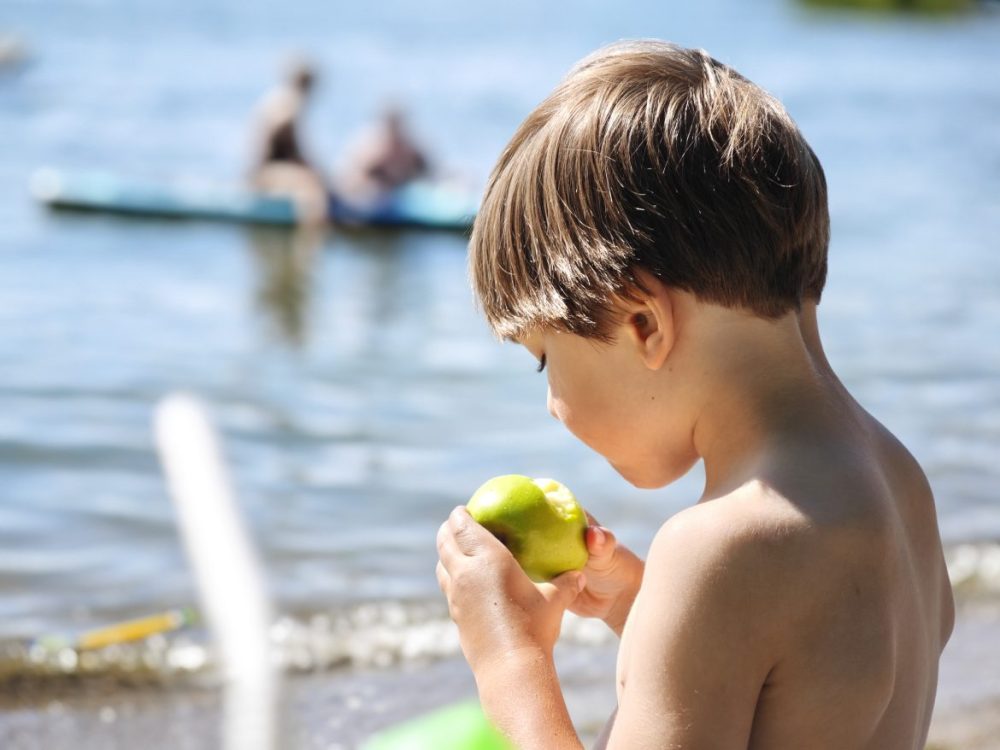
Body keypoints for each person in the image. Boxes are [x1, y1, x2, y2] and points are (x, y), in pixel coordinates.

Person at [435, 40, 954, 749]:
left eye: (544, 360)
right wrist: (641, 608)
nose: (551, 402)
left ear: (643, 324)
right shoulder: (900, 487)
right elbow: (783, 682)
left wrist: (509, 660)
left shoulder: (715, 551)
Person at [249, 58, 328, 224]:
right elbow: (286, 147)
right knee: (312, 189)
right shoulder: (290, 105)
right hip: (265, 172)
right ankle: (310, 234)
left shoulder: (277, 98)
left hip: (262, 170)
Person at [337, 105, 429, 200]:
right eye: (392, 128)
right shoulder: (372, 157)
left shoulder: (412, 155)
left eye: (398, 127)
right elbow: (350, 184)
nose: (396, 135)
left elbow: (430, 178)